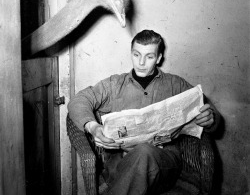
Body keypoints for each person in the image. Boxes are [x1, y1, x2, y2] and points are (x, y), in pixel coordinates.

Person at [68, 29, 220, 195]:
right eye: (136, 54)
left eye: (149, 57)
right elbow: (78, 101)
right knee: (141, 154)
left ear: (159, 58)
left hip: (164, 164)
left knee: (144, 151)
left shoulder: (175, 84)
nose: (141, 62)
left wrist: (211, 119)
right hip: (121, 163)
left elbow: (210, 113)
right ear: (131, 54)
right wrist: (93, 127)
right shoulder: (114, 84)